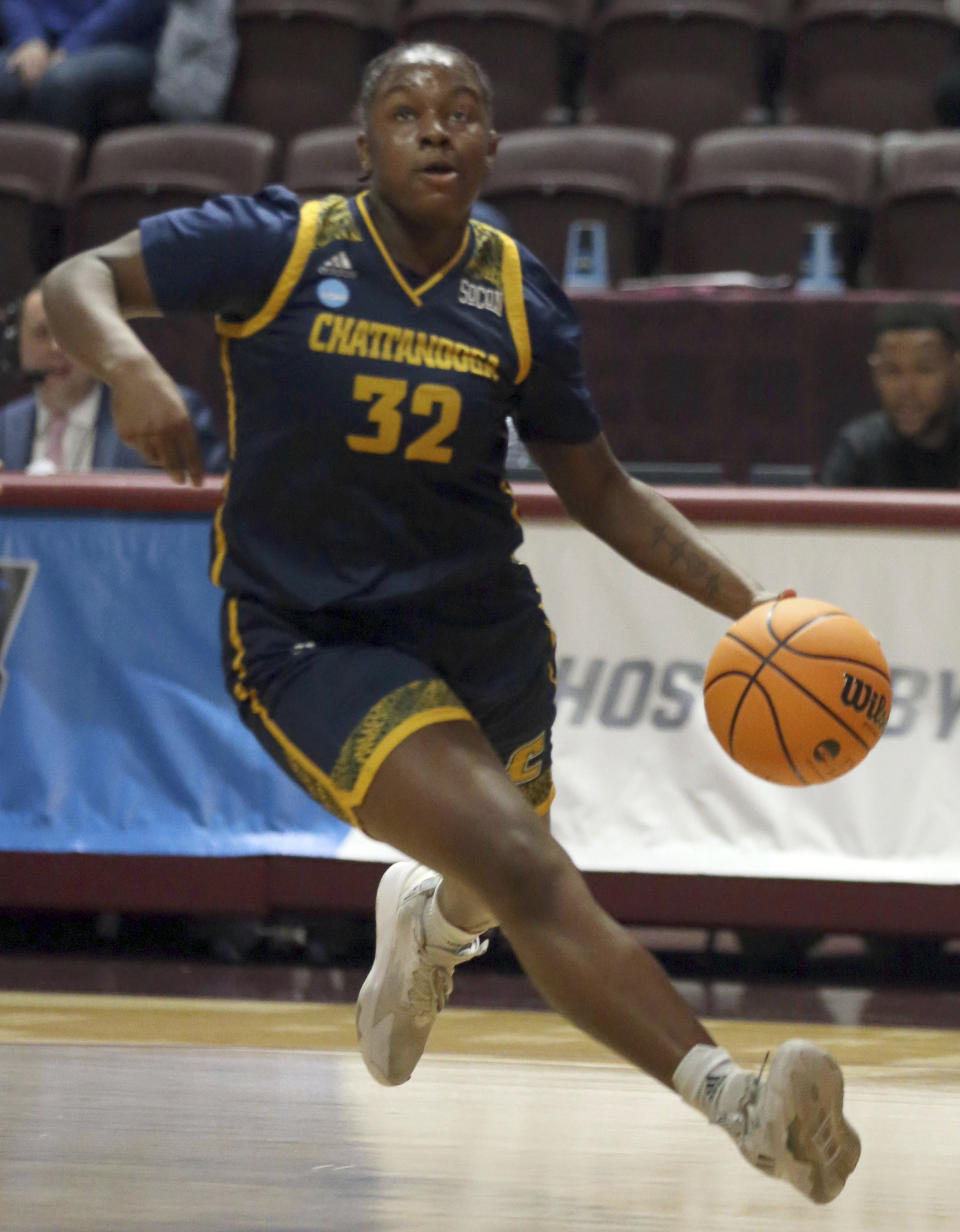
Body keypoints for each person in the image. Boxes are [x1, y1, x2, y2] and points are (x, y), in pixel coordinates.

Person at [39, 41, 860, 1206]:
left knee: (489, 869)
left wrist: (755, 609)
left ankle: (424, 941)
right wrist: (125, 364)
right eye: (408, 110)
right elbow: (75, 276)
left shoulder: (517, 293)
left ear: (489, 148)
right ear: (362, 143)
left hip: (485, 632)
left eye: (462, 112)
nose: (436, 128)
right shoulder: (280, 241)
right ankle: (743, 1101)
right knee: (526, 865)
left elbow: (603, 488)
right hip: (314, 634)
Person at [0, 284, 226, 473]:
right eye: (41, 333)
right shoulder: (6, 427)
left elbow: (218, 501)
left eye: (71, 332)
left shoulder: (161, 416)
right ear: (16, 348)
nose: (57, 347)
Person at [820, 301, 960, 488]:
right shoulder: (859, 449)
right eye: (892, 371)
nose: (906, 389)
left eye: (924, 370)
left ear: (955, 369)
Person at [0, 0, 168, 140]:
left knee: (63, 82)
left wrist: (74, 46)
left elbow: (134, 7)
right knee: (5, 79)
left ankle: (61, 173)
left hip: (124, 42)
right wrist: (28, 37)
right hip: (40, 41)